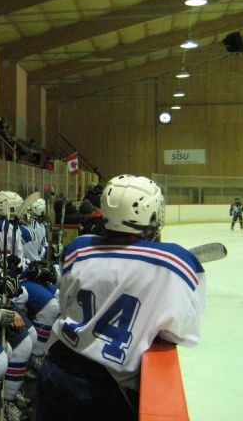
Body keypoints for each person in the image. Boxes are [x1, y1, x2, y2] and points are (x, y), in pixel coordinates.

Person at [37, 174, 205, 421]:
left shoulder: (78, 248)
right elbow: (181, 333)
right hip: (108, 391)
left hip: (57, 370)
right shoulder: (177, 263)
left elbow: (65, 304)